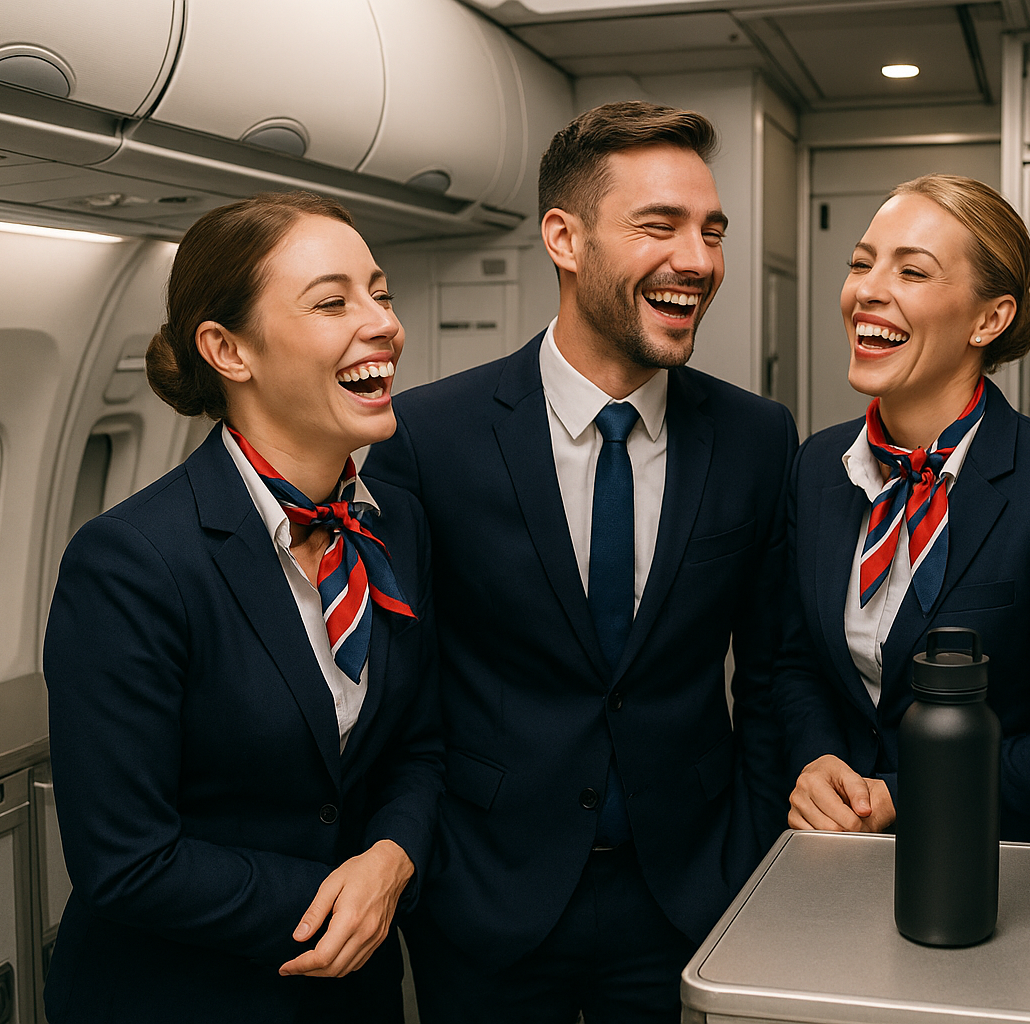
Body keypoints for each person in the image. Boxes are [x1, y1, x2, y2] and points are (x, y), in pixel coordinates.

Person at [362, 102, 795, 1021]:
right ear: (565, 237)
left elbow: (768, 673)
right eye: (659, 225)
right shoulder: (430, 440)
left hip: (688, 893)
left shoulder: (756, 438)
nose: (698, 260)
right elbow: (407, 687)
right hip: (487, 898)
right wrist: (423, 860)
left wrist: (747, 846)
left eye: (711, 231)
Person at [42, 191, 444, 1022]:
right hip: (180, 995)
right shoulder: (134, 561)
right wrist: (339, 896)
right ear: (228, 349)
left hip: (353, 992)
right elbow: (126, 859)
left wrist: (394, 857)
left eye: (382, 293)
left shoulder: (393, 519)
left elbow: (419, 741)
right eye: (334, 301)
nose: (383, 324)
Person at [775, 174, 1030, 842]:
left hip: (984, 864)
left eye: (911, 271)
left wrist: (902, 794)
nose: (866, 290)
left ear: (989, 319)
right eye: (861, 263)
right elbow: (797, 665)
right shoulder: (815, 469)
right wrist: (819, 761)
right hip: (824, 858)